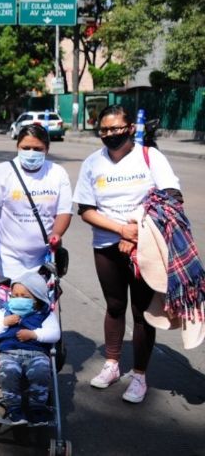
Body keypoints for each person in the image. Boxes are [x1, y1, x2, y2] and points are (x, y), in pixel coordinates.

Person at [73, 105, 183, 403]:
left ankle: (139, 376)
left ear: (131, 128)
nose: (110, 134)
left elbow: (172, 197)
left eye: (116, 128)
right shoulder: (93, 163)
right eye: (104, 130)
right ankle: (111, 365)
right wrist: (121, 230)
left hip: (146, 245)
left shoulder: (150, 157)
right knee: (114, 305)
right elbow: (85, 209)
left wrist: (136, 227)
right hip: (107, 246)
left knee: (142, 312)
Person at [0, 124, 72, 278]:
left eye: (37, 149)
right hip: (9, 258)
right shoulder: (2, 172)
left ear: (47, 149)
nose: (31, 152)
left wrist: (57, 234)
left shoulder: (58, 173)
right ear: (17, 147)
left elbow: (64, 211)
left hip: (45, 257)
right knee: (18, 302)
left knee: (43, 300)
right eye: (25, 148)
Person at [0, 272, 60, 425]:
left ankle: (38, 407)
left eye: (24, 297)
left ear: (37, 300)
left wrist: (34, 335)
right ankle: (14, 407)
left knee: (41, 372)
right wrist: (4, 323)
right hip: (9, 352)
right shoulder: (6, 311)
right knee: (9, 372)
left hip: (36, 353)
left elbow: (54, 334)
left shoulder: (45, 314)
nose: (18, 300)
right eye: (15, 295)